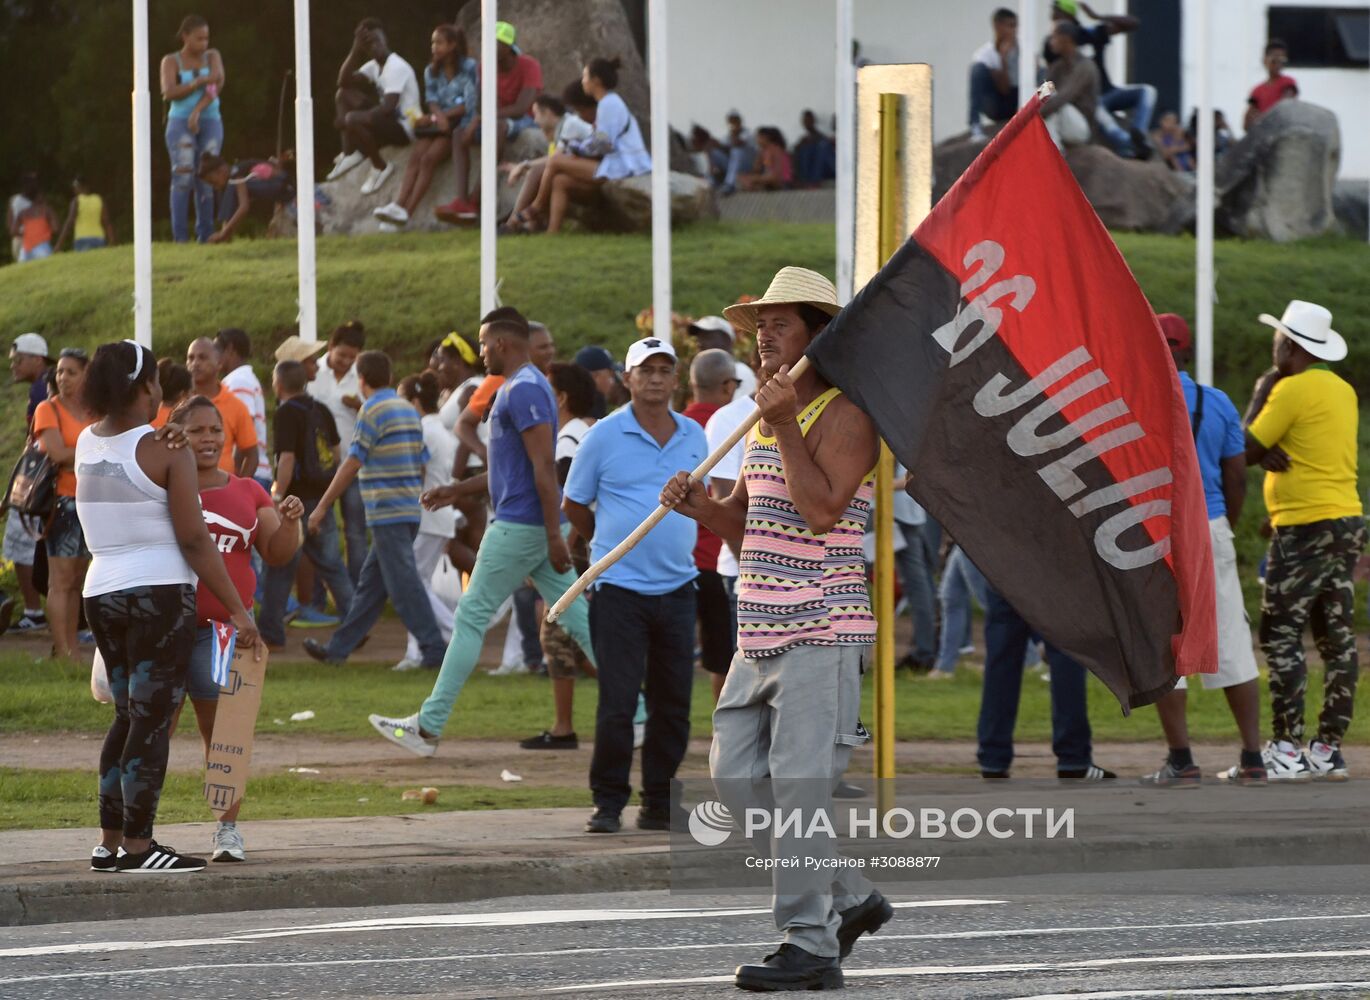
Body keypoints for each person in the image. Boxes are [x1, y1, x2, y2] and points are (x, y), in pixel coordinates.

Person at [661, 268, 893, 989]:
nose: (763, 335)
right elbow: (746, 526)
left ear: (821, 338)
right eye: (759, 323)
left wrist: (787, 419)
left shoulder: (849, 413)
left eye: (781, 323)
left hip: (823, 630)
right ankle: (852, 899)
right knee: (733, 783)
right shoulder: (763, 415)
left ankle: (810, 944)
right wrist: (703, 508)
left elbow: (823, 512)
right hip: (758, 629)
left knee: (797, 793)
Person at [366, 308, 595, 758]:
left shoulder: (524, 389)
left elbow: (543, 468)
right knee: (580, 620)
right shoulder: (524, 387)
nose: (481, 351)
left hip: (520, 527)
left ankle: (428, 727)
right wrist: (456, 489)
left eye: (484, 343)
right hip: (530, 525)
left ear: (502, 345)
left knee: (471, 617)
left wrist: (553, 533)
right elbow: (510, 470)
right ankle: (642, 713)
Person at [77, 340, 259, 875]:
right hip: (156, 593)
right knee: (152, 723)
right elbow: (196, 540)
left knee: (126, 716)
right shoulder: (167, 449)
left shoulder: (87, 442)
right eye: (156, 380)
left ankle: (108, 842)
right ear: (144, 387)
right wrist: (239, 610)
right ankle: (140, 845)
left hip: (100, 590)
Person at [566, 337, 705, 834]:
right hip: (620, 588)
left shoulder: (694, 434)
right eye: (645, 370)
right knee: (619, 702)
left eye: (664, 369)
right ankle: (608, 801)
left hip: (678, 588)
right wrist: (605, 546)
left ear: (676, 378)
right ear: (627, 378)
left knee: (673, 704)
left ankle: (660, 803)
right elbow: (574, 504)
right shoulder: (603, 435)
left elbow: (704, 499)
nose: (655, 378)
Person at [171, 394, 302, 862]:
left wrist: (289, 523)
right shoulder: (162, 487)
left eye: (214, 430)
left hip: (224, 633)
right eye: (196, 430)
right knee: (150, 732)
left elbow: (278, 552)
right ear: (175, 435)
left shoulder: (249, 490)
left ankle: (227, 830)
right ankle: (134, 832)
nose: (207, 439)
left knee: (222, 736)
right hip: (165, 629)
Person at [1139, 315, 1263, 788]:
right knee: (1231, 637)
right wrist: (1222, 525)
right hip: (1210, 527)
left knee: (1167, 643)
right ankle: (1252, 757)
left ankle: (1182, 760)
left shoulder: (1136, 396)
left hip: (1158, 532)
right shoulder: (1218, 402)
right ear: (1187, 352)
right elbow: (1237, 475)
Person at [1244, 300, 1363, 781]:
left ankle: (1286, 749)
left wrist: (1260, 392)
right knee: (1337, 640)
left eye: (1277, 339)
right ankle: (1328, 748)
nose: (1273, 346)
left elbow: (1243, 447)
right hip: (1346, 522)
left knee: (1281, 634)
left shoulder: (1289, 389)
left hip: (1305, 527)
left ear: (1289, 345)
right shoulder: (1342, 390)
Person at [301, 351, 447, 668]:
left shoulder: (371, 410)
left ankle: (435, 650)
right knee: (370, 588)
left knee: (404, 585)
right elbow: (420, 460)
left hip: (387, 511)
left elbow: (353, 460)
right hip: (407, 509)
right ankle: (337, 651)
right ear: (391, 378)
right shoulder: (408, 410)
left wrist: (322, 506)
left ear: (362, 380)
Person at [522, 361, 599, 749]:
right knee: (568, 634)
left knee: (557, 633)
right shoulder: (585, 431)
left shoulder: (568, 439)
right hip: (588, 544)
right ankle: (568, 725)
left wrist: (560, 552)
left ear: (562, 398)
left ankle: (570, 727)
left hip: (578, 547)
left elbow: (571, 502)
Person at [259, 361, 354, 651]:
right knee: (333, 565)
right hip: (319, 499)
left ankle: (272, 634)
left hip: (294, 501)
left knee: (280, 567)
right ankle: (355, 624)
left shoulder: (287, 412)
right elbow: (337, 453)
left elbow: (286, 459)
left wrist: (277, 495)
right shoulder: (321, 409)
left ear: (278, 384)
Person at [506, 58, 650, 235]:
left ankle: (536, 206)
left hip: (623, 165)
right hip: (617, 163)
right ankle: (552, 233)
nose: (583, 81)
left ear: (596, 80)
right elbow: (601, 140)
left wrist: (578, 148)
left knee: (556, 161)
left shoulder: (609, 104)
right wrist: (578, 147)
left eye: (585, 76)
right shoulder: (609, 102)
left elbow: (604, 143)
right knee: (560, 181)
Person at [436, 21, 543, 221]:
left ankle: (476, 200)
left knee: (498, 127)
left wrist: (483, 118)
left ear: (507, 46)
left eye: (494, 44)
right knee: (460, 133)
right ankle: (462, 201)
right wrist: (477, 120)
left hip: (525, 120)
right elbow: (482, 102)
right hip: (495, 117)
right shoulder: (484, 67)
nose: (488, 48)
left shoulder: (530, 65)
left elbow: (521, 109)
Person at [374, 25, 478, 228]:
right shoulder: (431, 70)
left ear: (452, 45)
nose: (434, 47)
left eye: (439, 42)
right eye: (433, 42)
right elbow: (431, 99)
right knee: (416, 157)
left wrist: (443, 117)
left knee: (429, 159)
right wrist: (438, 117)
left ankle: (407, 213)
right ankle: (397, 205)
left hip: (459, 124)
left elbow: (470, 102)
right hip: (438, 123)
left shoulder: (470, 67)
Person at [393, 371, 461, 672]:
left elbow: (415, 474)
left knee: (413, 587)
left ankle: (454, 634)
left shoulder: (421, 429)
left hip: (425, 515)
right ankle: (418, 650)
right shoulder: (443, 430)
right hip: (440, 516)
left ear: (415, 401)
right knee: (416, 584)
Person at [684, 349, 741, 702]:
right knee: (726, 659)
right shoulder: (736, 423)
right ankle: (726, 728)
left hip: (682, 560)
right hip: (719, 554)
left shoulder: (677, 427)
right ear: (727, 385)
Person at [32, 348, 95, 659]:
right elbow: (57, 454)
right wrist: (93, 451)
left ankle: (70, 648)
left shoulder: (95, 410)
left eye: (71, 371)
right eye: (60, 372)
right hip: (62, 502)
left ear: (86, 374)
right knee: (61, 579)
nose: (64, 377)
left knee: (79, 578)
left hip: (91, 501)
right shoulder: (48, 409)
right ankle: (64, 649)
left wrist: (79, 453)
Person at [326, 18, 421, 197]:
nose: (374, 46)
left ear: (385, 39)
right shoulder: (374, 66)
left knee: (353, 118)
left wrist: (349, 120)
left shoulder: (396, 66)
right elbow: (343, 82)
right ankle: (350, 153)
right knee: (343, 94)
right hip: (388, 121)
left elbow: (387, 107)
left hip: (405, 127)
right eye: (368, 44)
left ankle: (381, 167)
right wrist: (355, 50)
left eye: (377, 40)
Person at [1053, 0, 1153, 158]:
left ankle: (1138, 133)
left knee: (1148, 91)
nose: (1053, 19)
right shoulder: (1055, 51)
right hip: (1088, 100)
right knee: (1095, 106)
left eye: (1056, 14)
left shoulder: (1091, 34)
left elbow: (1134, 23)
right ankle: (1126, 143)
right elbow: (1053, 85)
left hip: (1109, 93)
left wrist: (1098, 16)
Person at [309, 321, 368, 582]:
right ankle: (320, 596)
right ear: (330, 347)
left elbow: (374, 414)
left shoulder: (361, 377)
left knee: (355, 532)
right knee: (317, 529)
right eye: (341, 354)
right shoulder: (313, 371)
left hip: (353, 466)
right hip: (318, 468)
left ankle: (357, 592)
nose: (346, 361)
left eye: (352, 357)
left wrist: (359, 406)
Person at [5, 333, 55, 631]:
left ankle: (34, 612)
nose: (13, 365)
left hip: (39, 476)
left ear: (37, 358)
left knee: (20, 542)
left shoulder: (41, 389)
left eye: (18, 359)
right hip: (47, 475)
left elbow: (37, 441)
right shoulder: (43, 384)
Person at [160, 15, 225, 244]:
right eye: (199, 39)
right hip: (179, 122)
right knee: (183, 175)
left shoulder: (212, 56)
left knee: (207, 177)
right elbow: (169, 92)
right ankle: (180, 238)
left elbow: (217, 84)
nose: (204, 44)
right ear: (185, 36)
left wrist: (197, 110)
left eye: (206, 38)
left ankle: (206, 234)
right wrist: (196, 83)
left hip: (210, 120)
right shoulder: (171, 61)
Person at [160, 338, 259, 479]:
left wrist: (239, 488)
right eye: (190, 358)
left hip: (224, 494)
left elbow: (251, 454)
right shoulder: (176, 405)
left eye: (202, 357)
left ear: (219, 363)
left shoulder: (236, 406)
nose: (195, 363)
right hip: (180, 491)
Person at [499, 93, 595, 233]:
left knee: (539, 171)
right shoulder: (562, 128)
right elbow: (554, 159)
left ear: (548, 113)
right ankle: (532, 225)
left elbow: (555, 159)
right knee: (549, 176)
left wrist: (523, 165)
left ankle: (512, 224)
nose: (535, 120)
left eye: (536, 114)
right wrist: (523, 166)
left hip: (595, 171)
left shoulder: (570, 124)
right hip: (582, 171)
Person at [890, 463, 937, 674]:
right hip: (906, 512)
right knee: (920, 584)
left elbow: (913, 476)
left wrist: (876, 488)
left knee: (918, 585)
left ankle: (925, 651)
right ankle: (925, 651)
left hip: (895, 512)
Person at [215, 328, 271, 492]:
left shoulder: (238, 381)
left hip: (250, 473)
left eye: (216, 350)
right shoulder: (242, 379)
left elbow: (243, 427)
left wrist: (237, 479)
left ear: (230, 350)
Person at [197, 155, 295, 243]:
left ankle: (225, 234)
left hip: (286, 188)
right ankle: (226, 233)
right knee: (231, 187)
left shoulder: (236, 173)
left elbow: (243, 207)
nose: (214, 187)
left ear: (221, 171)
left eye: (213, 182)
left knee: (232, 185)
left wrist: (224, 234)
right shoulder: (236, 177)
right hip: (282, 191)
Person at [1041, 20, 1099, 150]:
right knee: (1045, 97)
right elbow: (1041, 94)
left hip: (1082, 129)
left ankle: (1054, 154)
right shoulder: (1058, 67)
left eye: (1054, 37)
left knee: (1054, 102)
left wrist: (1033, 114)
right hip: (1063, 124)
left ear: (1066, 39)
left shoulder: (1085, 66)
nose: (1051, 42)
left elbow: (1063, 98)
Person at [933, 544, 989, 674]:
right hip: (961, 541)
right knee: (950, 597)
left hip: (973, 537)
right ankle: (945, 667)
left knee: (991, 604)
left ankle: (1030, 659)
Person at [968, 7, 1020, 142]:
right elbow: (1002, 90)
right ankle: (975, 125)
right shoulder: (984, 55)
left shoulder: (1021, 51)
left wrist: (1002, 66)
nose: (1014, 31)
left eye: (1015, 26)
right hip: (995, 106)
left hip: (1016, 103)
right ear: (998, 26)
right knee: (977, 69)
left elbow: (1008, 89)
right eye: (1010, 26)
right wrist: (1003, 59)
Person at [1245, 39, 1298, 130]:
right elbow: (1247, 122)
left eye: (1282, 60)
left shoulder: (1288, 82)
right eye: (1274, 60)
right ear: (1265, 60)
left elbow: (1287, 107)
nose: (1278, 64)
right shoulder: (1257, 90)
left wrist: (1263, 119)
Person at [55, 176, 116, 252]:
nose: (74, 190)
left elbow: (69, 222)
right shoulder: (99, 199)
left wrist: (59, 245)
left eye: (75, 187)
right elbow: (107, 222)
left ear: (79, 187)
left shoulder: (76, 201)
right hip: (99, 238)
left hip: (82, 239)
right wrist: (112, 240)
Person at [711, 110, 758, 195]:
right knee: (714, 153)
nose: (732, 123)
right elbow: (725, 148)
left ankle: (730, 184)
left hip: (748, 165)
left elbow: (737, 144)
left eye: (734, 120)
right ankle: (711, 183)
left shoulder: (748, 133)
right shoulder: (727, 136)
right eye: (730, 121)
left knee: (737, 151)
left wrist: (733, 134)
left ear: (739, 121)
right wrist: (715, 144)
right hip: (734, 166)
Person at [573, 345, 628, 418]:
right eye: (611, 374)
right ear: (594, 377)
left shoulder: (572, 406)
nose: (613, 382)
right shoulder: (593, 411)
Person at [12, 177, 58, 262]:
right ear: (39, 196)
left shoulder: (23, 213)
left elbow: (14, 231)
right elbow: (55, 228)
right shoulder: (47, 210)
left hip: (26, 248)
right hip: (43, 246)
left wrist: (27, 233)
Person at [736, 127, 792, 192]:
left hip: (782, 181)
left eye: (758, 137)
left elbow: (776, 174)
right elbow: (756, 170)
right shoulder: (763, 152)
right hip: (770, 179)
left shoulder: (775, 150)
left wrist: (754, 178)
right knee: (742, 178)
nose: (756, 140)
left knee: (750, 179)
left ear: (766, 137)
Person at [791, 109, 836, 185]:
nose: (807, 122)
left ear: (813, 121)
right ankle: (805, 180)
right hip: (815, 171)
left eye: (809, 120)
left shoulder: (823, 139)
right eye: (805, 120)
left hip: (829, 169)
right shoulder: (804, 140)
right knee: (803, 149)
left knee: (821, 146)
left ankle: (811, 180)